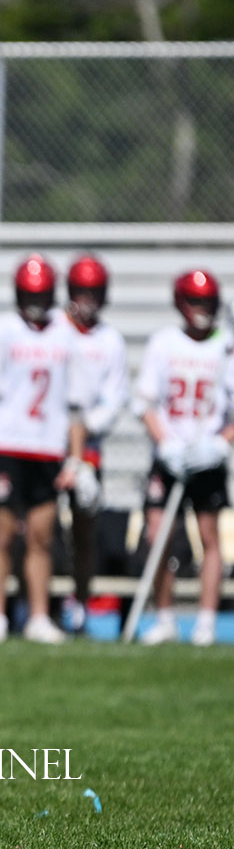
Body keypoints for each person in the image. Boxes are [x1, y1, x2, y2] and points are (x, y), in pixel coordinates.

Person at [0, 254, 85, 644]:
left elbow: (74, 403)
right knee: (2, 535)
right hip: (8, 444)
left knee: (41, 536)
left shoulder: (65, 335)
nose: (35, 302)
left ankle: (37, 615)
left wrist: (75, 458)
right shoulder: (2, 331)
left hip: (47, 447)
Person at [132, 270, 233, 647]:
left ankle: (205, 622)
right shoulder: (164, 343)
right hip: (171, 455)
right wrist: (166, 444)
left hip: (207, 457)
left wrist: (219, 442)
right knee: (158, 534)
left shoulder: (226, 348)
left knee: (209, 536)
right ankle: (165, 617)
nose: (202, 309)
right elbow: (144, 401)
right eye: (195, 301)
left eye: (207, 302)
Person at [58, 254, 127, 632]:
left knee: (84, 529)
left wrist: (82, 430)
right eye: (82, 291)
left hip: (88, 449)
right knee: (36, 527)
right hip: (45, 444)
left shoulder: (110, 340)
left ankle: (81, 602)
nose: (87, 299)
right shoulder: (55, 331)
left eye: (94, 292)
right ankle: (35, 607)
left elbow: (114, 399)